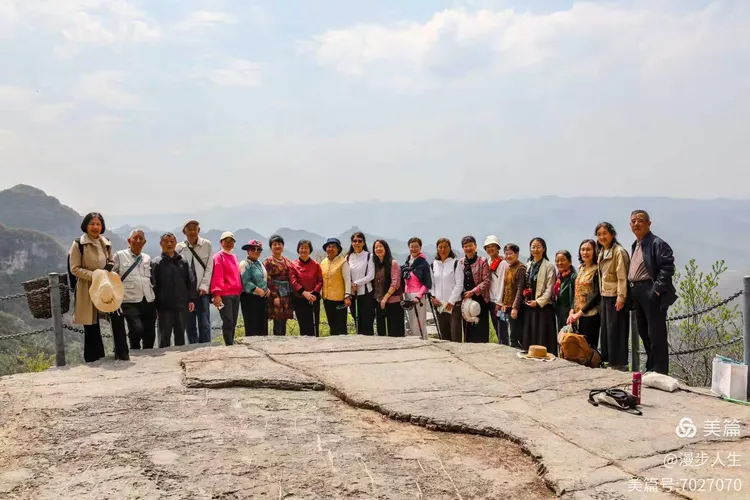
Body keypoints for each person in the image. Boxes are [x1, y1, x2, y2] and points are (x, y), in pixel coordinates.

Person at [629, 210, 676, 375]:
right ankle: (651, 367)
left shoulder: (657, 243)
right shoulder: (636, 244)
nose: (636, 224)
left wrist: (656, 289)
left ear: (649, 223)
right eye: (633, 221)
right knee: (643, 331)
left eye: (640, 220)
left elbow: (667, 266)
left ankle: (660, 370)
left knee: (656, 333)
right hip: (637, 291)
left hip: (650, 290)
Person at [69, 212, 116, 362]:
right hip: (87, 287)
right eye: (92, 224)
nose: (95, 227)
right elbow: (75, 269)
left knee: (114, 317)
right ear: (86, 226)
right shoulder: (78, 244)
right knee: (91, 325)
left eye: (98, 224)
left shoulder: (106, 243)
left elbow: (111, 261)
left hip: (105, 286)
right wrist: (95, 275)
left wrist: (107, 271)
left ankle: (118, 351)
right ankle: (93, 359)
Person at [111, 229, 156, 350]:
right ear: (129, 240)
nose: (138, 241)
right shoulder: (119, 256)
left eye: (141, 239)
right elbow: (111, 276)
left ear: (144, 242)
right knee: (136, 329)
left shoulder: (147, 258)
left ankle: (149, 354)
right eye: (135, 238)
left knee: (150, 331)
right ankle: (135, 350)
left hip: (148, 299)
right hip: (129, 300)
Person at [151, 233, 197, 347]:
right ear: (161, 244)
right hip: (164, 307)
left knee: (180, 336)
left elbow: (190, 281)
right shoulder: (156, 263)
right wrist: (154, 306)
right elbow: (153, 286)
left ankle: (180, 356)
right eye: (166, 241)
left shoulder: (182, 261)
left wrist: (191, 299)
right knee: (164, 337)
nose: (169, 244)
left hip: (181, 306)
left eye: (172, 241)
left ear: (176, 243)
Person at [596, 222, 631, 369]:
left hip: (615, 296)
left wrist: (621, 297)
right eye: (599, 234)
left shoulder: (618, 252)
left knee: (616, 330)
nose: (602, 237)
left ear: (612, 234)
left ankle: (619, 363)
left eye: (605, 233)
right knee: (606, 331)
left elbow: (622, 277)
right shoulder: (602, 251)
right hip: (605, 295)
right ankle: (608, 360)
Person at [176, 220, 214, 344]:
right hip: (187, 294)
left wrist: (204, 286)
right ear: (184, 231)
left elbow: (209, 267)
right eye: (189, 229)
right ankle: (193, 347)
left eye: (195, 229)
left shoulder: (206, 244)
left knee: (204, 322)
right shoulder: (179, 247)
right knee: (190, 324)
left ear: (199, 230)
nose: (192, 232)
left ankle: (206, 347)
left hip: (202, 291)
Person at [522, 237, 558, 355]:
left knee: (542, 336)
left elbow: (550, 288)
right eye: (533, 247)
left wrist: (538, 302)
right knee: (530, 334)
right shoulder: (529, 265)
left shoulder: (549, 266)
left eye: (538, 247)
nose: (535, 250)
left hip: (543, 307)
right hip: (529, 306)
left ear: (544, 249)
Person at [568, 239, 601, 348]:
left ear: (594, 251)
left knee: (588, 348)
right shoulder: (581, 268)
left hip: (591, 315)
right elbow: (577, 291)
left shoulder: (597, 270)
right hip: (577, 315)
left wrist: (580, 313)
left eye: (588, 249)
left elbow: (597, 295)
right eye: (582, 249)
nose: (585, 252)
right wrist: (572, 311)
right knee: (577, 349)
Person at [210, 231, 242, 345]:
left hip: (236, 294)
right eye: (226, 241)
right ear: (221, 243)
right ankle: (229, 345)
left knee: (233, 322)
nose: (228, 243)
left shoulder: (234, 256)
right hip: (224, 295)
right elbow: (217, 276)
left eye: (231, 241)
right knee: (228, 321)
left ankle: (231, 342)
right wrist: (217, 295)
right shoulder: (218, 257)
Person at [431, 238, 464, 342]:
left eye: (445, 247)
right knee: (444, 335)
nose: (443, 249)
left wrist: (451, 301)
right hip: (439, 305)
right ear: (437, 249)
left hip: (454, 305)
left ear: (450, 248)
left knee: (455, 334)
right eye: (440, 247)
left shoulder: (456, 263)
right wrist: (433, 297)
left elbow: (459, 284)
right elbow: (432, 284)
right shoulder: (433, 265)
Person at [459, 236, 491, 343]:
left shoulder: (482, 261)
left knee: (481, 328)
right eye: (465, 246)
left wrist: (473, 291)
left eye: (470, 245)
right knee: (468, 328)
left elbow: (486, 281)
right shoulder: (460, 262)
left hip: (480, 298)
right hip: (466, 299)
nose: (468, 248)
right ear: (463, 248)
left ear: (475, 246)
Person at [290, 240, 324, 336]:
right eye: (301, 248)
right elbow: (293, 281)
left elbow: (320, 281)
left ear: (310, 250)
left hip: (313, 298)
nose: (304, 250)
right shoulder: (293, 265)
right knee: (303, 326)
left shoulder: (316, 265)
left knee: (314, 326)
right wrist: (304, 293)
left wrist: (314, 293)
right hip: (300, 299)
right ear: (298, 250)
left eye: (306, 248)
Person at [320, 238, 352, 335]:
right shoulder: (323, 262)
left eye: (333, 247)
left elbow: (347, 279)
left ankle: (343, 343)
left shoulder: (343, 262)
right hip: (327, 299)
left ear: (338, 249)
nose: (331, 249)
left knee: (341, 324)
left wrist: (347, 296)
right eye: (329, 247)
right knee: (332, 324)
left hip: (340, 300)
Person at [372, 239, 405, 337]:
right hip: (379, 301)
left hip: (393, 301)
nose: (378, 249)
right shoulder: (375, 265)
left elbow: (395, 283)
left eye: (380, 246)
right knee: (381, 331)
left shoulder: (393, 263)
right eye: (376, 247)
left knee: (395, 331)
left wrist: (385, 298)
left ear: (386, 248)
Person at [402, 237, 432, 339]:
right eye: (412, 247)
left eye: (416, 247)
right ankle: (416, 342)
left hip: (418, 296)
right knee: (411, 323)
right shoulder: (408, 263)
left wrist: (418, 297)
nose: (414, 249)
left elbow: (427, 284)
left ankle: (423, 342)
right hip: (407, 295)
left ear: (420, 247)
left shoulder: (423, 264)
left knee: (419, 323)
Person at [347, 232, 376, 335]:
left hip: (367, 294)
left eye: (360, 241)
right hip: (353, 295)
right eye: (354, 241)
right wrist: (351, 284)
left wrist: (356, 283)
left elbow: (371, 275)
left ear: (363, 243)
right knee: (357, 321)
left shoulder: (369, 256)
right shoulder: (348, 257)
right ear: (352, 243)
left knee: (367, 321)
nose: (357, 243)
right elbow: (346, 275)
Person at [265, 234, 294, 336]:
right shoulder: (268, 262)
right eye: (274, 244)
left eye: (279, 244)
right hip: (276, 295)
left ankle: (284, 342)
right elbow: (268, 279)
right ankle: (277, 342)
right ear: (271, 247)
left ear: (283, 246)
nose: (277, 246)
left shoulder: (287, 260)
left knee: (284, 319)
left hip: (286, 294)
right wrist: (275, 296)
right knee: (277, 320)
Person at [239, 240, 268, 337]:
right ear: (248, 251)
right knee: (252, 325)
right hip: (249, 298)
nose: (256, 251)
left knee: (262, 325)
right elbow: (245, 281)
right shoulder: (244, 264)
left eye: (258, 249)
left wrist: (266, 289)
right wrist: (258, 290)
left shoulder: (260, 263)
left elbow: (264, 278)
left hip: (262, 298)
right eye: (253, 249)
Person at [500, 243, 526, 349]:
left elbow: (520, 289)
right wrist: (504, 303)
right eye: (506, 254)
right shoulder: (509, 268)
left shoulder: (521, 268)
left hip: (517, 307)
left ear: (517, 254)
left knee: (516, 334)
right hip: (508, 306)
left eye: (511, 253)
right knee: (511, 332)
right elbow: (506, 287)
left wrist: (515, 308)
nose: (508, 256)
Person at [485, 235, 509, 345]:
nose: (490, 249)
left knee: (502, 329)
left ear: (498, 248)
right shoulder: (488, 262)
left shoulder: (503, 263)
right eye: (488, 247)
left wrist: (499, 302)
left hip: (499, 302)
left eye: (492, 246)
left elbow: (502, 283)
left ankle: (505, 349)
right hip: (491, 300)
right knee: (496, 328)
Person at [553, 250, 577, 332]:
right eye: (557, 261)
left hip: (570, 314)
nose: (560, 263)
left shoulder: (573, 277)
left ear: (570, 262)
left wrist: (572, 312)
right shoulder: (559, 277)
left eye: (563, 260)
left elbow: (576, 297)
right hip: (560, 313)